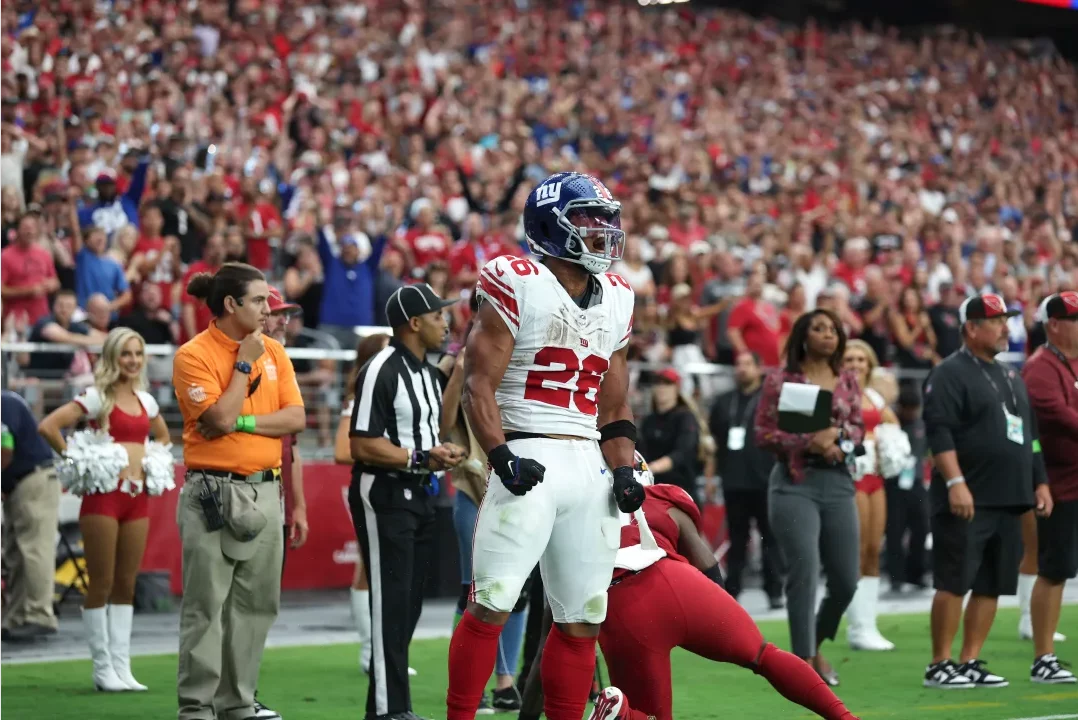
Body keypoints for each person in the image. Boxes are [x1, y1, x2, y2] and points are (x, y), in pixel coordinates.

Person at [446, 172, 643, 720]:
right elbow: (477, 381)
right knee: (492, 603)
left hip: (587, 461)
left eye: (607, 218)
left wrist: (623, 468)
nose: (603, 230)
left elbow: (614, 401)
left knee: (583, 617)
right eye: (588, 218)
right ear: (551, 225)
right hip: (527, 452)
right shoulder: (519, 279)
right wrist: (499, 454)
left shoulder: (620, 297)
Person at [520, 457, 860, 720]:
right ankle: (845, 717)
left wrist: (527, 715)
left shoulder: (562, 518)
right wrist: (717, 620)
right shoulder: (658, 500)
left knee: (650, 716)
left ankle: (621, 713)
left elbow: (553, 638)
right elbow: (708, 563)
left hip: (623, 606)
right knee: (764, 656)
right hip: (678, 583)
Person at [172, 262, 306, 720]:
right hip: (213, 491)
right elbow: (216, 420)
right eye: (259, 301)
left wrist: (245, 424)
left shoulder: (277, 352)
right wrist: (244, 364)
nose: (269, 310)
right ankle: (196, 708)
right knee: (205, 607)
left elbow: (296, 419)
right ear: (231, 305)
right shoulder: (194, 354)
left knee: (257, 607)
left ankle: (237, 703)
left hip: (266, 490)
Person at [921, 293, 1054, 689]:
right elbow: (939, 432)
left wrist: (1040, 480)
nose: (1004, 328)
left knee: (992, 583)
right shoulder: (948, 373)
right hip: (968, 496)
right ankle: (939, 663)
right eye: (995, 321)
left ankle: (969, 660)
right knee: (954, 580)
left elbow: (1029, 437)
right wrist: (955, 482)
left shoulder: (1011, 376)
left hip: (1009, 497)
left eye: (1006, 321)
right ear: (971, 328)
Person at [348, 283, 466, 720]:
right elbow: (361, 443)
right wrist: (420, 456)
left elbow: (439, 425)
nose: (445, 321)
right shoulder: (382, 367)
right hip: (385, 492)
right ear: (413, 323)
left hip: (420, 493)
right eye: (437, 315)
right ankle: (390, 711)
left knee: (409, 606)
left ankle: (384, 707)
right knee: (391, 605)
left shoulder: (423, 371)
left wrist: (442, 451)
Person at [38, 328, 170, 691]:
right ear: (112, 357)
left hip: (136, 497)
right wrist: (79, 459)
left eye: (138, 354)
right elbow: (49, 426)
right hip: (103, 499)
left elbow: (164, 436)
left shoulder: (146, 400)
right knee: (103, 581)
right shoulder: (97, 398)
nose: (133, 360)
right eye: (126, 353)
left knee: (127, 584)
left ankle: (122, 668)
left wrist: (152, 459)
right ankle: (102, 669)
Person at [754, 309, 863, 687]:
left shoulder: (847, 379)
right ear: (803, 336)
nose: (828, 335)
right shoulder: (782, 380)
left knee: (847, 580)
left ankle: (815, 642)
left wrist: (840, 440)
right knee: (804, 571)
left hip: (838, 482)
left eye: (833, 329)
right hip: (794, 483)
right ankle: (803, 661)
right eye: (819, 328)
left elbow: (859, 431)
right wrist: (808, 441)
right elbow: (763, 433)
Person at [441, 296, 527, 714]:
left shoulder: (521, 360)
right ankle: (485, 685)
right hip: (475, 489)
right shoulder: (455, 364)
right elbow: (442, 426)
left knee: (518, 593)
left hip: (517, 490)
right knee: (474, 593)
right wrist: (459, 370)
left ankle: (503, 682)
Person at [1020, 292, 1078, 684]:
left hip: (1073, 480)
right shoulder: (1041, 367)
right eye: (1075, 318)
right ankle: (1043, 656)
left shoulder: (1068, 363)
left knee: (1060, 568)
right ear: (1054, 324)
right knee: (1053, 568)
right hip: (1059, 483)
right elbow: (1058, 416)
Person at [334, 331, 391, 676]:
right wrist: (387, 453)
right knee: (367, 571)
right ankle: (370, 653)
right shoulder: (357, 402)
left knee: (381, 571)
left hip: (388, 485)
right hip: (371, 485)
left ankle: (380, 652)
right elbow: (342, 450)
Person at [708, 351, 784, 607]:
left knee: (769, 538)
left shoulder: (771, 401)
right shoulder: (723, 401)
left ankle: (774, 591)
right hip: (734, 480)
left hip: (765, 479)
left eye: (747, 364)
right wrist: (712, 475)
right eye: (738, 364)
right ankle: (733, 591)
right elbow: (713, 442)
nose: (742, 369)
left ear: (759, 367)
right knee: (738, 539)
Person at [841, 339, 898, 651]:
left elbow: (892, 423)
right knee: (859, 550)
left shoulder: (875, 396)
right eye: (849, 358)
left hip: (876, 477)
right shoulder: (838, 395)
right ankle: (857, 627)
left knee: (875, 549)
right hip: (853, 479)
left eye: (861, 359)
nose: (856, 364)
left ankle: (869, 624)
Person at [0, 389, 60, 644]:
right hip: (18, 483)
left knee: (34, 550)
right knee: (16, 553)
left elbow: (4, 449)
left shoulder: (3, 403)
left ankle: (38, 615)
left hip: (32, 481)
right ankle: (15, 618)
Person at [883, 387, 930, 595]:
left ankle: (916, 573)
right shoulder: (891, 425)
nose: (912, 413)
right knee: (895, 532)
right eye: (909, 409)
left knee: (921, 529)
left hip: (917, 484)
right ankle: (896, 577)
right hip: (893, 485)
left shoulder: (922, 425)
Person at [638, 368, 704, 507]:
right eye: (658, 384)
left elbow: (683, 452)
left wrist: (652, 468)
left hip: (680, 490)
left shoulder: (686, 418)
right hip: (653, 489)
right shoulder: (648, 421)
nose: (662, 388)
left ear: (677, 388)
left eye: (667, 384)